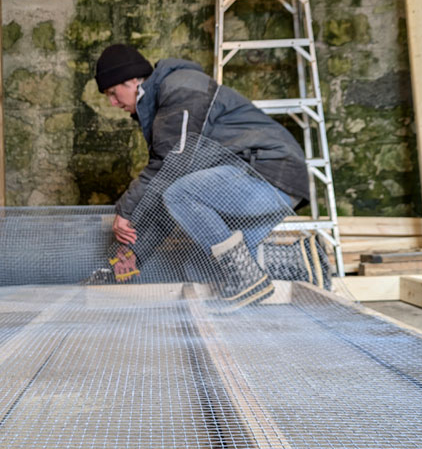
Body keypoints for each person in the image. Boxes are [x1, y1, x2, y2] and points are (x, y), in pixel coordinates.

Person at [93, 43, 312, 309]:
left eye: (112, 93)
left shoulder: (180, 87)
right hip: (263, 183)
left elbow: (171, 176)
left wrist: (126, 210)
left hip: (268, 174)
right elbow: (165, 193)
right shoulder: (162, 103)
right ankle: (301, 261)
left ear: (131, 81)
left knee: (179, 193)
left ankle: (247, 277)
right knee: (199, 269)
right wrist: (136, 254)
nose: (112, 103)